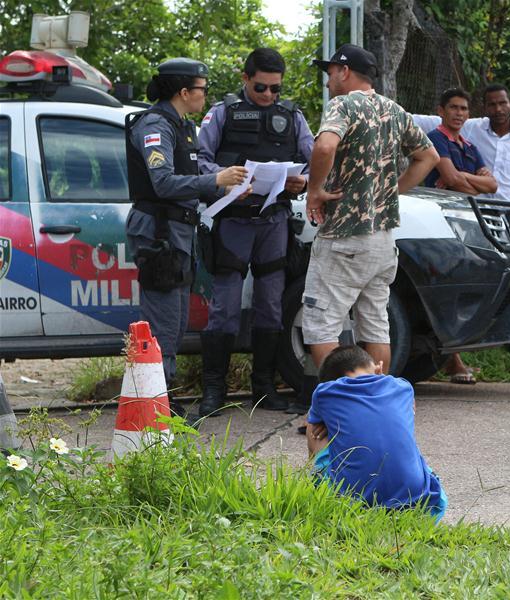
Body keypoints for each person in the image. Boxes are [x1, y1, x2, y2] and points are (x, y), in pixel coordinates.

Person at [303, 44, 439, 371]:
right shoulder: (393, 110)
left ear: (345, 72)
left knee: (322, 324)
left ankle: (338, 407)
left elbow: (324, 145)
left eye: (331, 72)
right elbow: (429, 157)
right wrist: (391, 192)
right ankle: (375, 401)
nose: (328, 81)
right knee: (375, 325)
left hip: (344, 238)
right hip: (383, 240)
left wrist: (314, 190)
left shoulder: (343, 105)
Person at [125, 58, 248, 417]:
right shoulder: (155, 126)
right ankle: (157, 409)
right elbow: (162, 183)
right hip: (159, 235)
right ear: (183, 92)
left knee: (176, 324)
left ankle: (162, 402)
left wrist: (228, 190)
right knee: (162, 325)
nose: (204, 96)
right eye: (201, 89)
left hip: (180, 233)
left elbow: (189, 182)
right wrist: (216, 180)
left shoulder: (184, 127)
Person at [196, 48, 314, 418]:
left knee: (271, 307)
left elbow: (315, 161)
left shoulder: (292, 115)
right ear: (245, 79)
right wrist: (224, 180)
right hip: (233, 219)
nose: (268, 96)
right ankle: (214, 391)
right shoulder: (222, 112)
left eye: (275, 89)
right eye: (261, 87)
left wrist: (303, 182)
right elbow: (199, 159)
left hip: (274, 221)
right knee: (225, 309)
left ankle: (263, 389)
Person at [412, 84, 510, 356]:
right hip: (475, 218)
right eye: (492, 104)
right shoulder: (469, 130)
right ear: (484, 108)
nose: (498, 109)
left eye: (502, 103)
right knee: (494, 278)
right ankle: (494, 338)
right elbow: (427, 124)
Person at [306, 345, 447, 521]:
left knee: (312, 427)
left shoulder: (324, 393)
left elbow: (317, 423)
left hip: (350, 506)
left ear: (331, 381)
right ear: (378, 368)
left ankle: (317, 488)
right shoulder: (403, 387)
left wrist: (332, 422)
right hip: (422, 503)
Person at [422, 88, 497, 384]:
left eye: (464, 109)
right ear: (441, 110)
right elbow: (450, 179)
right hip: (439, 221)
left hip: (466, 220)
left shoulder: (467, 144)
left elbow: (492, 185)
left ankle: (454, 358)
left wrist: (463, 180)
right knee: (447, 286)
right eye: (453, 107)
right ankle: (452, 360)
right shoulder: (436, 139)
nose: (459, 113)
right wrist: (470, 181)